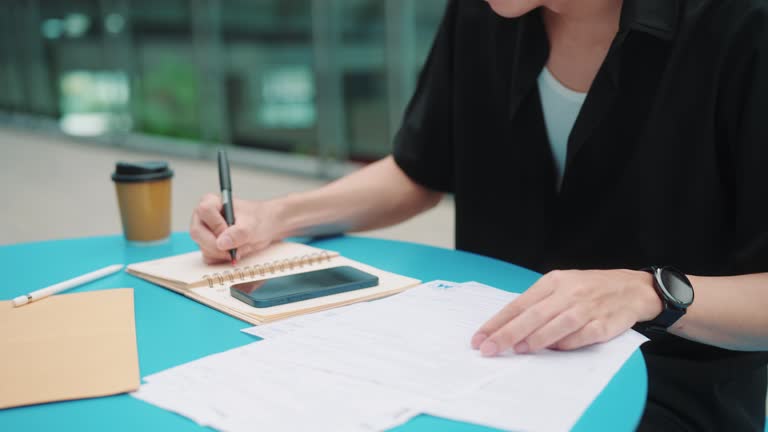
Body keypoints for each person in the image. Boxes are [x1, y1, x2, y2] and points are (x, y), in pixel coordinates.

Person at [191, 0, 768, 430]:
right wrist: (278, 215)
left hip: (668, 388)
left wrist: (651, 293)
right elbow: (421, 169)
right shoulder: (485, 11)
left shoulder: (744, 25)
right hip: (484, 363)